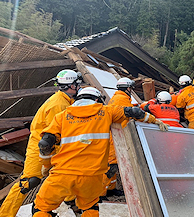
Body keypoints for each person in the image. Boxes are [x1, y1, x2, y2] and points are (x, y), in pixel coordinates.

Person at [32, 87, 168, 217]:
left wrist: (46, 165)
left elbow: (45, 143)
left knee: (41, 208)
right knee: (90, 207)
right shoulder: (107, 111)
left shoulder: (62, 116)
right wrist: (154, 120)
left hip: (62, 174)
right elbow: (135, 112)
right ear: (97, 100)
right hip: (92, 176)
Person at [0, 70, 82, 217]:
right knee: (29, 181)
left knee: (64, 177)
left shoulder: (63, 100)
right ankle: (5, 214)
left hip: (46, 146)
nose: (79, 87)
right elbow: (52, 136)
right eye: (77, 84)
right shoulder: (59, 105)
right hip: (41, 147)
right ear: (70, 86)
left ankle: (58, 207)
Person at [100, 77, 135, 199]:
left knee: (114, 164)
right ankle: (100, 193)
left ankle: (111, 189)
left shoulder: (119, 98)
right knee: (111, 166)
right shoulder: (122, 99)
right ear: (128, 88)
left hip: (114, 135)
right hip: (116, 137)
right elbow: (127, 115)